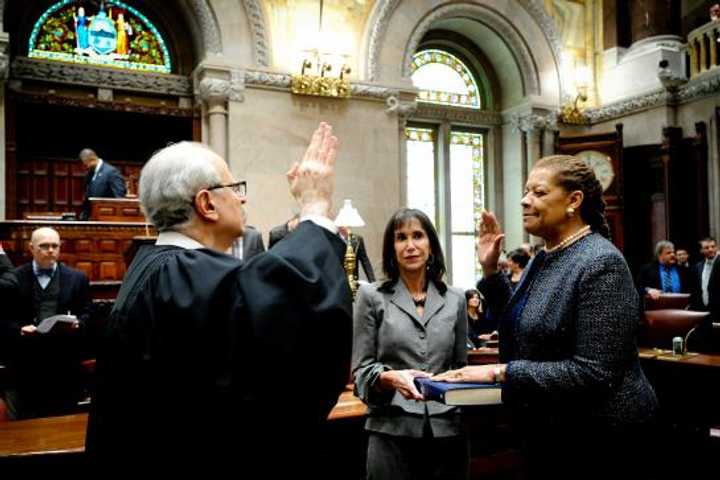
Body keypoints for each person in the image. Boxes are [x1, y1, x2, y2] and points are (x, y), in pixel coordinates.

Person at [85, 123, 352, 475]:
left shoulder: (160, 267)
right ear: (206, 203)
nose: (242, 198)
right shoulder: (180, 275)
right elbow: (290, 308)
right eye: (234, 188)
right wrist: (315, 207)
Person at [434, 155, 658, 479]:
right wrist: (489, 269)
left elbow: (594, 373)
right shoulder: (546, 256)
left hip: (600, 440)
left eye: (538, 192)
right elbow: (525, 320)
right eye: (526, 191)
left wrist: (501, 372)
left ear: (573, 201)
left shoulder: (601, 262)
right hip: (554, 430)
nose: (525, 200)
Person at [352, 208, 468, 480]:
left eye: (418, 236)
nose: (410, 245)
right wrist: (389, 378)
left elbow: (460, 367)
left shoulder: (456, 299)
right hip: (390, 428)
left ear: (431, 245)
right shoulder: (371, 296)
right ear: (392, 248)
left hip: (448, 431)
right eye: (401, 238)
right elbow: (361, 372)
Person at [1, 227, 92, 419]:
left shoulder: (78, 279)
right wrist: (19, 329)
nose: (50, 250)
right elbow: (3, 319)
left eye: (54, 246)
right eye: (44, 246)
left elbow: (87, 315)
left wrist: (78, 324)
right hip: (27, 368)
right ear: (31, 248)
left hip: (64, 367)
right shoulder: (14, 279)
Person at [79, 148, 127, 220]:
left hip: (106, 217)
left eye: (86, 165)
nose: (85, 168)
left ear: (92, 160)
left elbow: (119, 196)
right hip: (91, 217)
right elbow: (88, 196)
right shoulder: (89, 174)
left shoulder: (111, 172)